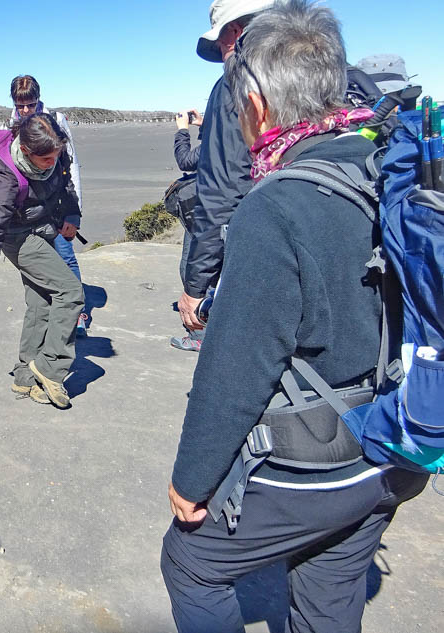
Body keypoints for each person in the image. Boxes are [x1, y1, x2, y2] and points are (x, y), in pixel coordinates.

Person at [160, 3, 428, 632]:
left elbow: (237, 367)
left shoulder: (276, 205)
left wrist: (191, 481)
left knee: (191, 566)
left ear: (253, 103)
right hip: (399, 439)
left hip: (321, 461)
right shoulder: (387, 165)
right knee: (328, 587)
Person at [173, 0, 273, 351]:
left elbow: (222, 188)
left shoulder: (235, 85)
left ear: (233, 32)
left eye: (220, 43)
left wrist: (194, 288)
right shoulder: (309, 75)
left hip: (256, 240)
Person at [0, 113, 83, 408]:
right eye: (46, 159)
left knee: (41, 302)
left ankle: (25, 376)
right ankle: (51, 369)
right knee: (71, 293)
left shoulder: (53, 154)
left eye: (56, 155)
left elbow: (65, 181)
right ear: (25, 151)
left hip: (42, 227)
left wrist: (71, 215)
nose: (53, 162)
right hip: (17, 237)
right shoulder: (5, 177)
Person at [5, 75, 89, 336]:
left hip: (58, 204)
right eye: (21, 105)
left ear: (38, 99)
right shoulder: (11, 121)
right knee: (39, 264)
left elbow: (70, 164)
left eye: (30, 104)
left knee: (65, 254)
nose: (26, 110)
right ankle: (50, 314)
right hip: (30, 209)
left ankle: (78, 314)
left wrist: (74, 212)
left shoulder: (56, 119)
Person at [170, 108, 206, 352]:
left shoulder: (228, 135)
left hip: (208, 208)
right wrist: (205, 125)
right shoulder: (244, 133)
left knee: (193, 265)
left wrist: (182, 130)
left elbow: (187, 161)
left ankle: (199, 333)